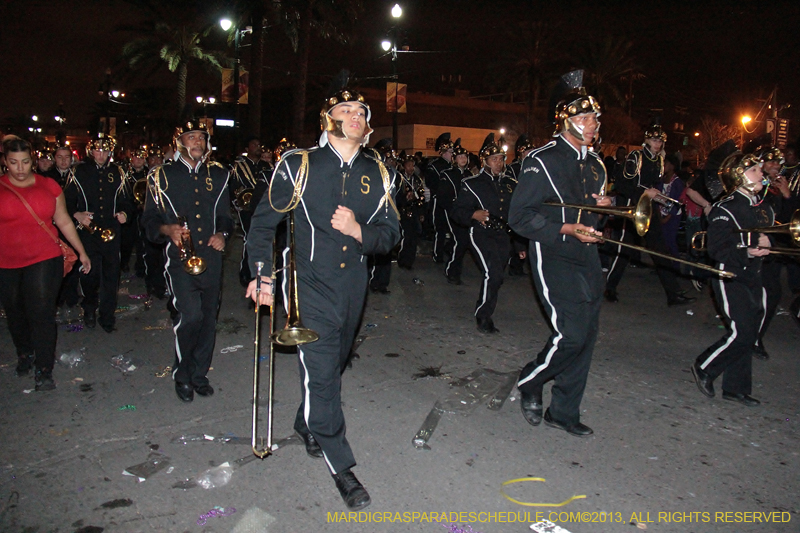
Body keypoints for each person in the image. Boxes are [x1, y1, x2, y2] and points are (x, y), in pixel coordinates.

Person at [246, 87, 400, 511]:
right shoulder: (299, 164)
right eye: (345, 109)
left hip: (354, 290)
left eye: (360, 111)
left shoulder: (378, 170)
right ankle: (341, 464)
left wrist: (359, 232)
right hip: (308, 287)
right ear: (327, 118)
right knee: (323, 373)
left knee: (332, 367)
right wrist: (261, 276)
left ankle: (306, 421)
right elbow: (262, 226)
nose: (354, 115)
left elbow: (392, 235)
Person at [508, 70, 609, 437]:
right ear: (565, 120)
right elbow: (519, 216)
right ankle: (530, 381)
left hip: (587, 254)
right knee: (572, 335)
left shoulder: (597, 163)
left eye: (594, 117)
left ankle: (563, 410)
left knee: (589, 333)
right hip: (552, 252)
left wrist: (603, 207)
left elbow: (591, 210)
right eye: (585, 118)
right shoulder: (542, 158)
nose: (593, 124)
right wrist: (565, 228)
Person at [141, 119, 233, 403]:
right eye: (191, 137)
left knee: (207, 318)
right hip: (180, 259)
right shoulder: (160, 176)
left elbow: (226, 216)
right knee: (190, 315)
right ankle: (182, 374)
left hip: (211, 257)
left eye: (201, 138)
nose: (197, 142)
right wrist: (167, 230)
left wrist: (223, 234)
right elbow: (148, 222)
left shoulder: (219, 174)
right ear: (179, 141)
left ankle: (199, 375)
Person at [0, 136, 91, 391]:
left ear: (33, 161)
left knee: (41, 312)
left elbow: (62, 221)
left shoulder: (48, 185)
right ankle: (24, 352)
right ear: (5, 162)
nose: (20, 168)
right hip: (6, 260)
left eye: (25, 162)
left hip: (44, 256)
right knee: (15, 312)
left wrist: (80, 251)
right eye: (14, 162)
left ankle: (44, 367)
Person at [691, 152, 771, 407]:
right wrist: (746, 250)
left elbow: (767, 235)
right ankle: (705, 366)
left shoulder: (761, 206)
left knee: (750, 331)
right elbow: (717, 249)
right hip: (729, 274)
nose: (762, 173)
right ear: (740, 176)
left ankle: (735, 388)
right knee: (743, 332)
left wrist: (770, 243)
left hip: (752, 274)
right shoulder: (725, 208)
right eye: (756, 170)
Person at [605, 125, 695, 305]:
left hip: (649, 208)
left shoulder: (659, 161)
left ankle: (673, 293)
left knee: (660, 250)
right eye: (654, 140)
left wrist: (659, 197)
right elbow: (622, 185)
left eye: (660, 141)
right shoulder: (636, 157)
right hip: (632, 207)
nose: (657, 143)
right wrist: (646, 194)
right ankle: (610, 287)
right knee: (625, 249)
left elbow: (653, 188)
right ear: (646, 140)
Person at [451, 133, 519, 334]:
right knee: (493, 272)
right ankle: (483, 316)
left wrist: (520, 245)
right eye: (494, 159)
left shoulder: (510, 184)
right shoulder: (472, 183)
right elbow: (456, 211)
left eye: (501, 159)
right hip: (481, 233)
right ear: (485, 162)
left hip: (503, 235)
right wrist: (473, 214)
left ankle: (485, 306)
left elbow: (515, 215)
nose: (498, 163)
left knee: (497, 276)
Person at [64, 134, 133, 332]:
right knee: (89, 272)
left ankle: (107, 315)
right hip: (87, 231)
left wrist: (124, 214)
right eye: (97, 150)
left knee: (112, 275)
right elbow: (65, 203)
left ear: (110, 152)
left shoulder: (119, 171)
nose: (100, 154)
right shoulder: (78, 171)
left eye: (104, 151)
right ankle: (89, 308)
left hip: (111, 231)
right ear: (90, 151)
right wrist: (77, 214)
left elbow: (128, 202)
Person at [230, 135, 271, 287]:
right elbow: (233, 186)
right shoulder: (239, 166)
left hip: (263, 208)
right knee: (250, 237)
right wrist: (238, 202)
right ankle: (246, 273)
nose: (258, 147)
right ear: (247, 149)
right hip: (246, 208)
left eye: (259, 144)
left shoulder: (266, 166)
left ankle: (263, 272)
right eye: (254, 144)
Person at [441, 141, 474, 284]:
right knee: (460, 240)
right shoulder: (447, 174)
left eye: (464, 156)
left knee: (464, 241)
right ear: (454, 159)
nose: (462, 159)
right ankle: (451, 270)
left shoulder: (469, 174)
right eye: (459, 156)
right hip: (453, 212)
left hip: (466, 212)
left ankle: (453, 263)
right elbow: (444, 196)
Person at [425, 132, 454, 262]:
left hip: (451, 201)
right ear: (443, 152)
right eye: (450, 151)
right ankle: (438, 255)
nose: (452, 154)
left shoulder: (452, 167)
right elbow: (431, 183)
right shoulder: (434, 165)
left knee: (454, 230)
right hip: (439, 201)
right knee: (440, 229)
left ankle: (447, 250)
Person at [396, 152, 426, 270]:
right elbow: (396, 196)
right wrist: (405, 198)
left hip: (414, 210)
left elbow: (422, 195)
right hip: (402, 210)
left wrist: (421, 212)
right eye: (408, 165)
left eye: (412, 165)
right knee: (406, 236)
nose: (411, 168)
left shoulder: (417, 179)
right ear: (404, 166)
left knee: (414, 236)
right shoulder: (399, 178)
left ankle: (409, 261)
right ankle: (402, 259)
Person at [658, 154, 685, 258]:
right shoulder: (662, 180)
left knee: (670, 241)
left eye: (666, 163)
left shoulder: (677, 182)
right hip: (661, 213)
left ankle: (675, 266)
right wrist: (659, 216)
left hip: (673, 216)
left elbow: (677, 202)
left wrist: (667, 218)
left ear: (672, 166)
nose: (663, 165)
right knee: (662, 242)